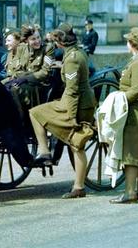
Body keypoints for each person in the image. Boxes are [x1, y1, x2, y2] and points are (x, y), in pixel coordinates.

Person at [29, 23, 96, 198]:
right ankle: (46, 152)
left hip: (76, 104)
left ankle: (77, 186)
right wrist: (61, 66)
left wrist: (71, 118)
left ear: (60, 42)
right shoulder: (76, 52)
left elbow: (73, 90)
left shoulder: (72, 59)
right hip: (78, 100)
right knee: (75, 144)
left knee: (76, 143)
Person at [110, 27, 138, 204]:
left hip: (134, 112)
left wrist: (117, 100)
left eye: (128, 41)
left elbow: (137, 89)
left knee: (131, 156)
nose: (127, 43)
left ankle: (130, 193)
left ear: (133, 44)